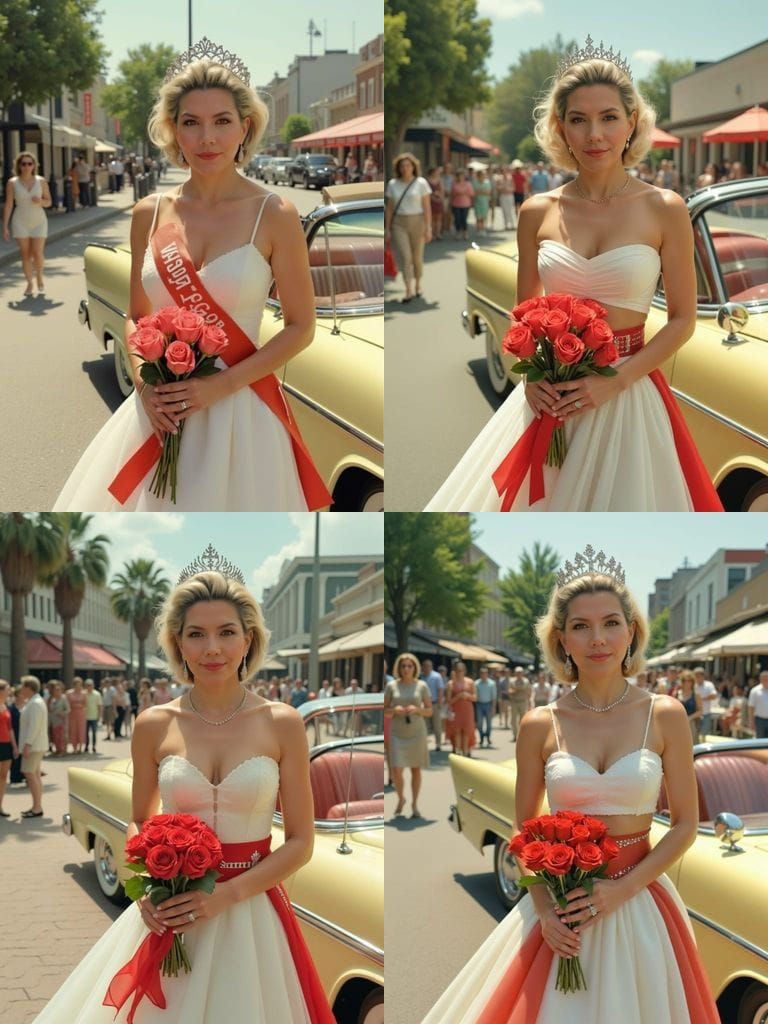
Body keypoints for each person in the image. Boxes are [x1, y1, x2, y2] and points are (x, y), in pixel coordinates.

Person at [421, 545, 719, 1024]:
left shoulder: (665, 714)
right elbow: (525, 824)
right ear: (561, 639)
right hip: (560, 911)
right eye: (580, 626)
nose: (597, 638)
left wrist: (622, 890)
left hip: (641, 905)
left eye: (610, 623)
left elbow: (685, 825)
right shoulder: (540, 723)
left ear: (632, 631)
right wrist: (544, 907)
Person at [425, 43, 723, 512]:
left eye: (608, 117)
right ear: (560, 128)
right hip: (548, 397)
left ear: (631, 124)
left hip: (627, 393)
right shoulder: (536, 211)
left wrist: (615, 381)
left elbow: (683, 320)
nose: (594, 134)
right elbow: (524, 317)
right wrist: (529, 381)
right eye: (578, 119)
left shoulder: (664, 208)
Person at [32, 563, 335, 1023]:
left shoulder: (283, 723)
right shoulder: (154, 723)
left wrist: (224, 898)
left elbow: (300, 842)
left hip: (250, 913)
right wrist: (143, 891)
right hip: (169, 910)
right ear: (177, 643)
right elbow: (139, 818)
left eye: (227, 632)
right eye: (196, 634)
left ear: (248, 639)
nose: (212, 648)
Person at [53, 44, 329, 513]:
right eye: (190, 122)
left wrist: (217, 387)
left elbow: (302, 326)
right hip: (159, 413)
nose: (207, 138)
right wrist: (145, 388)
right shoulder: (149, 213)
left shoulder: (275, 214)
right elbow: (136, 318)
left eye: (222, 121)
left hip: (241, 414)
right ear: (173, 131)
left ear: (246, 127)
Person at [384, 653, 431, 818]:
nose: (406, 669)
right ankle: (401, 798)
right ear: (399, 668)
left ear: (414, 668)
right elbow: (384, 710)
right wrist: (393, 710)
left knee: (415, 769)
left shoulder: (422, 685)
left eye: (409, 666)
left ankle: (415, 804)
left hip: (417, 731)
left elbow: (430, 710)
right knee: (396, 769)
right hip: (397, 732)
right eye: (403, 666)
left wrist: (418, 709)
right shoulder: (391, 686)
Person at [2, 151, 52, 297]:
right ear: (19, 165)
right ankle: (30, 283)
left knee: (37, 253)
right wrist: (5, 226)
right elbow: (9, 205)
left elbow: (49, 202)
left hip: (39, 221)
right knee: (25, 255)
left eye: (30, 163)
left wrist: (41, 201)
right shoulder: (12, 183)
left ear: (34, 165)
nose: (26, 166)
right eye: (23, 164)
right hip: (20, 221)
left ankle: (40, 277)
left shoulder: (41, 181)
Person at [385, 152, 432, 303]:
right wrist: (387, 228)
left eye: (408, 165)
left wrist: (429, 227)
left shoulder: (421, 183)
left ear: (413, 167)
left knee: (417, 257)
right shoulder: (393, 184)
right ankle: (408, 289)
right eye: (402, 166)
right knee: (405, 257)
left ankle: (418, 284)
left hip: (418, 221)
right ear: (398, 168)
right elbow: (390, 208)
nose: (405, 168)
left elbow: (427, 207)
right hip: (399, 223)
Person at [18, 675, 48, 819]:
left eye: (23, 686)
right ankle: (37, 806)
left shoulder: (35, 703)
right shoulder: (35, 701)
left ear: (29, 687)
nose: (21, 688)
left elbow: (34, 726)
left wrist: (27, 744)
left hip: (34, 746)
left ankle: (37, 807)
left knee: (30, 775)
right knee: (34, 775)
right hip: (36, 745)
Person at [446, 661, 476, 756]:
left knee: (467, 730)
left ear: (465, 671)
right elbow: (448, 701)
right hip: (456, 710)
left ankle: (466, 751)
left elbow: (475, 698)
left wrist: (467, 696)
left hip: (467, 710)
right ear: (455, 671)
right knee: (457, 731)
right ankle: (458, 751)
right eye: (458, 670)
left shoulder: (470, 682)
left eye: (462, 670)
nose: (460, 673)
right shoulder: (450, 684)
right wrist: (459, 696)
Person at [0, 680, 19, 816]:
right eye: (7, 689)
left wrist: (14, 746)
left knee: (3, 776)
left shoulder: (5, 706)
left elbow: (10, 728)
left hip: (6, 745)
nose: (10, 691)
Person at [421, 658, 444, 751]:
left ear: (431, 667)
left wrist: (440, 703)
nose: (426, 668)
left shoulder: (437, 676)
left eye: (428, 666)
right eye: (425, 666)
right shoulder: (420, 676)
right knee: (424, 725)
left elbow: (440, 689)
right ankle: (424, 743)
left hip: (434, 704)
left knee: (437, 725)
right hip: (424, 705)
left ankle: (438, 744)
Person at [676, 669, 702, 745]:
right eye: (684, 680)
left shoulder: (696, 695)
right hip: (678, 723)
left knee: (691, 745)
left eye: (689, 680)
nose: (687, 683)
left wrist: (689, 718)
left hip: (691, 723)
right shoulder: (677, 693)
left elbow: (700, 711)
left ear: (692, 682)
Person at [449, 168, 474, 241]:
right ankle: (458, 232)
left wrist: (464, 193)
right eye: (460, 175)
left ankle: (465, 232)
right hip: (456, 204)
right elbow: (452, 194)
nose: (461, 177)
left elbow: (471, 193)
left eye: (462, 175)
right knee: (457, 219)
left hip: (466, 204)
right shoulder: (454, 184)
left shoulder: (468, 184)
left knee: (464, 219)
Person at [693, 667, 717, 740]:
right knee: (695, 734)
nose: (697, 678)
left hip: (706, 713)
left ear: (703, 676)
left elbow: (714, 695)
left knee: (704, 734)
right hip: (695, 714)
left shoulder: (709, 685)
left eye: (698, 676)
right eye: (695, 676)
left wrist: (701, 699)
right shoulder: (693, 685)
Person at [474, 666, 495, 747]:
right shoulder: (476, 683)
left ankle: (488, 737)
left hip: (488, 704)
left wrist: (493, 707)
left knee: (489, 724)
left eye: (485, 673)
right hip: (479, 705)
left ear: (487, 674)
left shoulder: (491, 683)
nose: (483, 674)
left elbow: (493, 697)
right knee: (479, 723)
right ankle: (482, 737)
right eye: (482, 673)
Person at [66, 675, 87, 753]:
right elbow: (67, 704)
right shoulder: (69, 693)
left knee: (81, 730)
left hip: (81, 713)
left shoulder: (84, 693)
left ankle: (80, 747)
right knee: (73, 730)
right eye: (77, 684)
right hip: (72, 713)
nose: (78, 686)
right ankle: (74, 747)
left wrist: (80, 706)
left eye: (80, 684)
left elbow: (85, 704)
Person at [510, 665, 532, 739]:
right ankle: (515, 735)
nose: (519, 674)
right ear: (515, 673)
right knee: (513, 720)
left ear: (522, 673)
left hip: (523, 702)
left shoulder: (526, 681)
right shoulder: (512, 681)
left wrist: (529, 702)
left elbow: (529, 692)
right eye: (517, 672)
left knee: (522, 720)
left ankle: (521, 735)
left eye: (520, 672)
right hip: (514, 702)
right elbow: (509, 691)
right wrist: (514, 691)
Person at [49, 681, 70, 756]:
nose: (57, 691)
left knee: (62, 737)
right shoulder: (53, 699)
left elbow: (68, 710)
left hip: (62, 721)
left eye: (58, 689)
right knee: (55, 736)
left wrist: (62, 713)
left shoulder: (63, 698)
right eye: (55, 690)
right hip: (54, 721)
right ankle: (58, 750)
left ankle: (63, 751)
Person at [748, 670, 768, 738]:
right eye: (764, 679)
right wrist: (751, 721)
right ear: (760, 679)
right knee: (760, 740)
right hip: (760, 720)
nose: (766, 681)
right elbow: (751, 707)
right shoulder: (755, 691)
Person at [84, 678, 102, 752]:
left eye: (90, 685)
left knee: (94, 733)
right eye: (88, 685)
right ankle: (86, 746)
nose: (89, 687)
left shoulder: (97, 694)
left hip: (94, 716)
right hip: (85, 717)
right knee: (86, 733)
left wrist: (99, 716)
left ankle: (94, 746)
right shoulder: (83, 694)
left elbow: (99, 706)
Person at [426, 167, 445, 241]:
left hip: (438, 201)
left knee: (439, 218)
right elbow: (427, 192)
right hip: (430, 201)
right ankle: (432, 234)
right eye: (435, 172)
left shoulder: (439, 180)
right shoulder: (427, 181)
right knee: (432, 219)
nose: (437, 173)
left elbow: (442, 190)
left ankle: (438, 233)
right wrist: (432, 198)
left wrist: (440, 198)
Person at [472, 169, 492, 234]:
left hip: (485, 202)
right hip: (477, 202)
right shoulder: (475, 182)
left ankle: (483, 229)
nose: (483, 176)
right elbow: (474, 192)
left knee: (484, 216)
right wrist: (482, 191)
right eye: (482, 175)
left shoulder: (487, 182)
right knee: (478, 216)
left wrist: (480, 191)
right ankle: (479, 229)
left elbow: (488, 192)